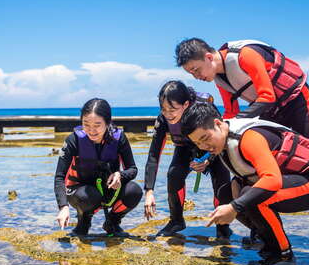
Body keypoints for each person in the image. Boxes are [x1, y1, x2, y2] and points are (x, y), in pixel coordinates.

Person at [174, 38, 309, 250]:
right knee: (257, 168)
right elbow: (230, 115)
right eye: (191, 74)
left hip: (295, 101)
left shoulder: (245, 55)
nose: (197, 76)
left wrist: (237, 125)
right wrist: (212, 150)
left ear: (208, 57)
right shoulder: (219, 80)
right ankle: (262, 231)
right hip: (270, 111)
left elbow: (267, 96)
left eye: (196, 70)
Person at [181, 102, 309, 265]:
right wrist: (233, 201)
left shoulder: (249, 138)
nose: (204, 146)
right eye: (198, 143)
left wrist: (235, 207)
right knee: (226, 194)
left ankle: (283, 255)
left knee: (252, 197)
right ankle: (265, 239)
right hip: (288, 178)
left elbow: (272, 180)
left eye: (205, 138)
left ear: (218, 124)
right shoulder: (223, 140)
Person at [143, 81, 232, 238]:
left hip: (213, 148)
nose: (168, 114)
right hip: (185, 147)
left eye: (172, 109)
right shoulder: (164, 119)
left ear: (186, 104)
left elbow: (221, 138)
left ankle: (223, 227)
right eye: (163, 109)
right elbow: (153, 155)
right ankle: (176, 221)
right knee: (173, 174)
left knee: (222, 181)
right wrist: (149, 190)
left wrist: (208, 159)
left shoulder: (204, 109)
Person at [54, 98, 142, 237]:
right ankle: (83, 221)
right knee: (90, 195)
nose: (91, 130)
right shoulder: (73, 140)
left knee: (134, 191)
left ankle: (112, 222)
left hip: (108, 189)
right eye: (86, 124)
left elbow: (132, 169)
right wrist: (63, 207)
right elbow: (60, 176)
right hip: (80, 192)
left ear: (107, 123)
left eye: (97, 125)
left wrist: (120, 175)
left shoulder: (119, 138)